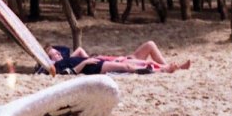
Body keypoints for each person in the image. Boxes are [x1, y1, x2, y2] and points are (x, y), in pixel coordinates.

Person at [36, 40, 191, 75]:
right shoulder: (59, 66)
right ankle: (167, 68)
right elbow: (69, 71)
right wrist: (86, 61)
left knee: (149, 45)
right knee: (141, 62)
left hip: (109, 60)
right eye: (54, 54)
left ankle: (167, 67)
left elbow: (80, 51)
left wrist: (87, 58)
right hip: (110, 62)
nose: (58, 54)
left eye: (58, 52)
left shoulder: (65, 59)